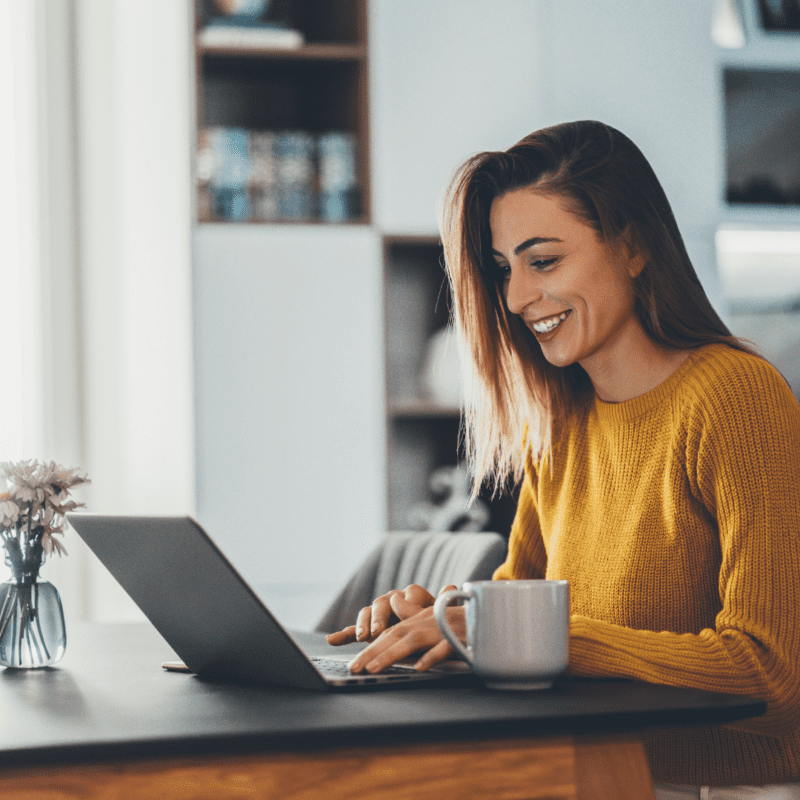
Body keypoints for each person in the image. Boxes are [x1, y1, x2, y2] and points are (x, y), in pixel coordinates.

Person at [326, 121, 800, 797]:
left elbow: (772, 673)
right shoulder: (562, 419)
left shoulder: (735, 399)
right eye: (503, 269)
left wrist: (550, 642)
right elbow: (523, 603)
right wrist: (450, 625)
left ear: (632, 246)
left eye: (542, 261)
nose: (517, 298)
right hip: (588, 776)